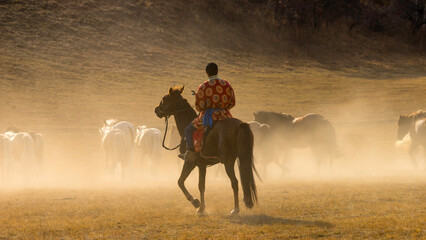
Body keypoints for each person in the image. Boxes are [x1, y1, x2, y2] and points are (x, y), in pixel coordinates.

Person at [178, 63, 236, 162]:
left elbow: (199, 107)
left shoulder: (204, 86)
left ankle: (190, 154)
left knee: (188, 130)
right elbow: (232, 103)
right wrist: (223, 109)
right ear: (217, 71)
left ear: (207, 73)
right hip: (226, 116)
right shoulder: (226, 84)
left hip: (209, 116)